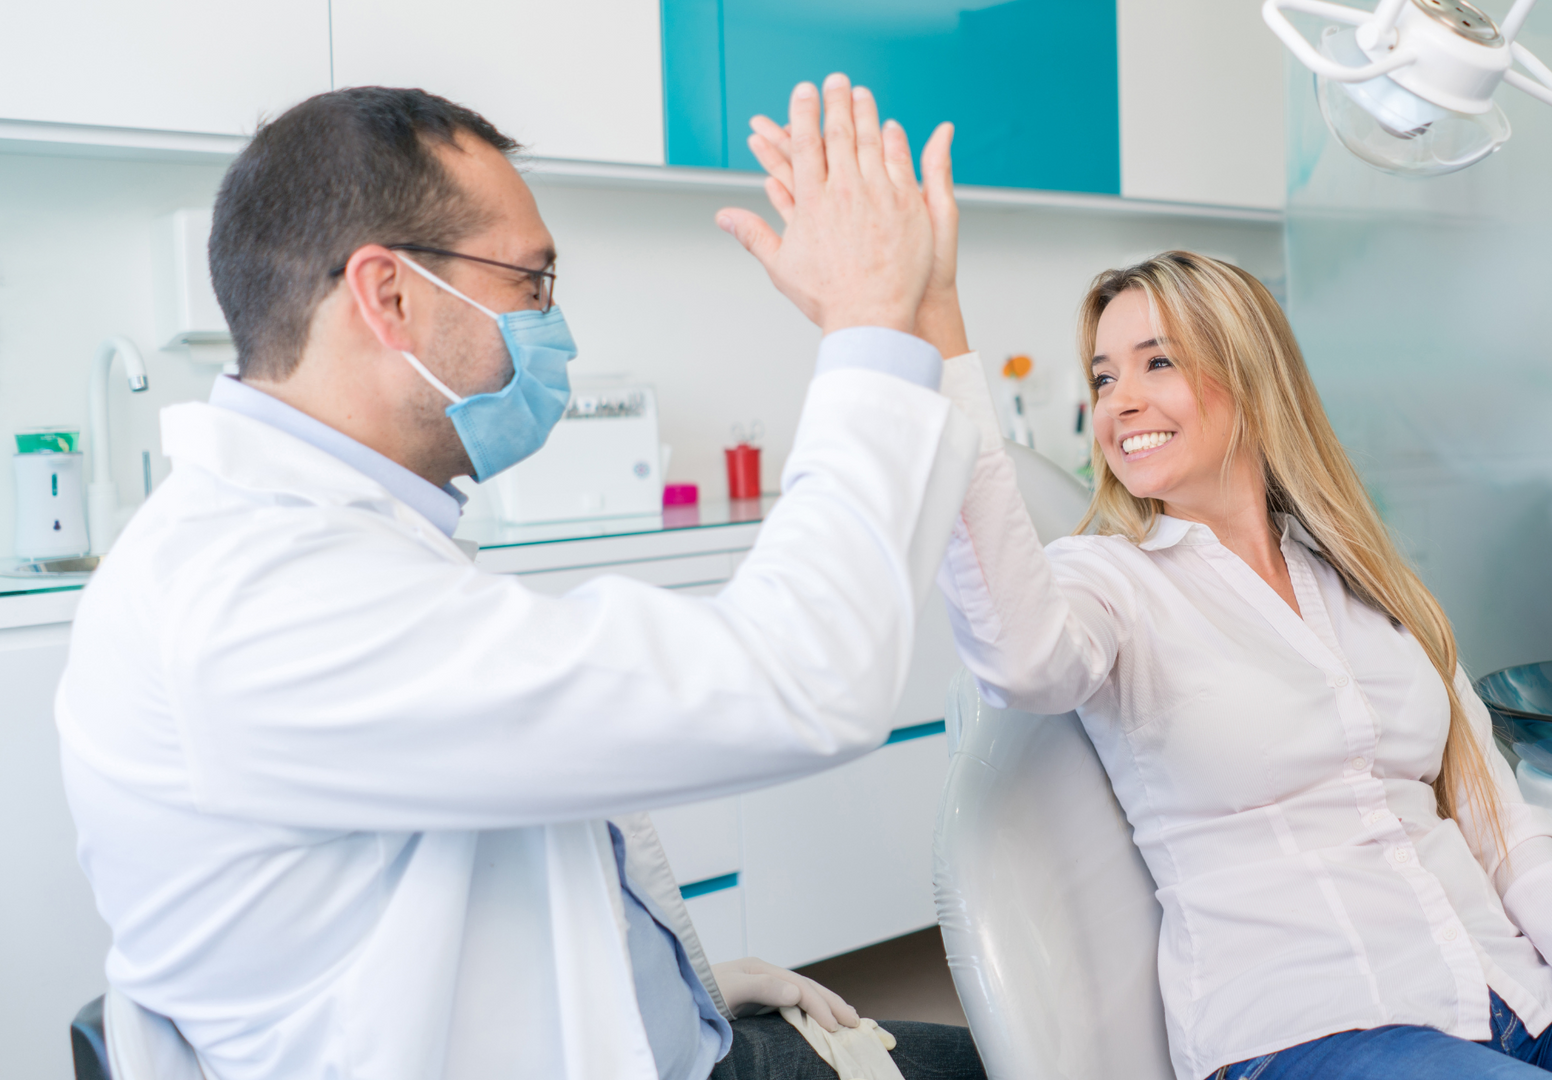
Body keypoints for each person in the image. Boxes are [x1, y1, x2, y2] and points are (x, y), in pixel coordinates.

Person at [740, 107, 1552, 1080]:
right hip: (1316, 1031)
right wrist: (932, 328)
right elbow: (1022, 655)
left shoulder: (1374, 591)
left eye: (1158, 361)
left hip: (1520, 997)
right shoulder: (1114, 586)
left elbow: (1508, 841)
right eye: (1100, 373)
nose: (1118, 398)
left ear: (1249, 375)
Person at [57, 78, 987, 1080]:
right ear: (390, 295)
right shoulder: (260, 596)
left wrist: (683, 987)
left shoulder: (331, 540)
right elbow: (800, 680)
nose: (556, 327)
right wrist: (872, 324)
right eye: (532, 284)